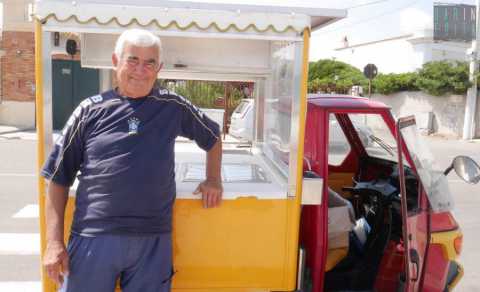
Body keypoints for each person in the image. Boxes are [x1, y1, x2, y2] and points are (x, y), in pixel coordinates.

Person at [41, 29, 223, 292]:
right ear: (116, 61)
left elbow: (213, 136)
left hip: (153, 240)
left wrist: (213, 178)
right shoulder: (90, 110)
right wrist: (54, 242)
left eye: (149, 62)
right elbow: (57, 179)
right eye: (133, 60)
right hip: (94, 236)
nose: (141, 70)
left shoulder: (172, 106)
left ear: (158, 68)